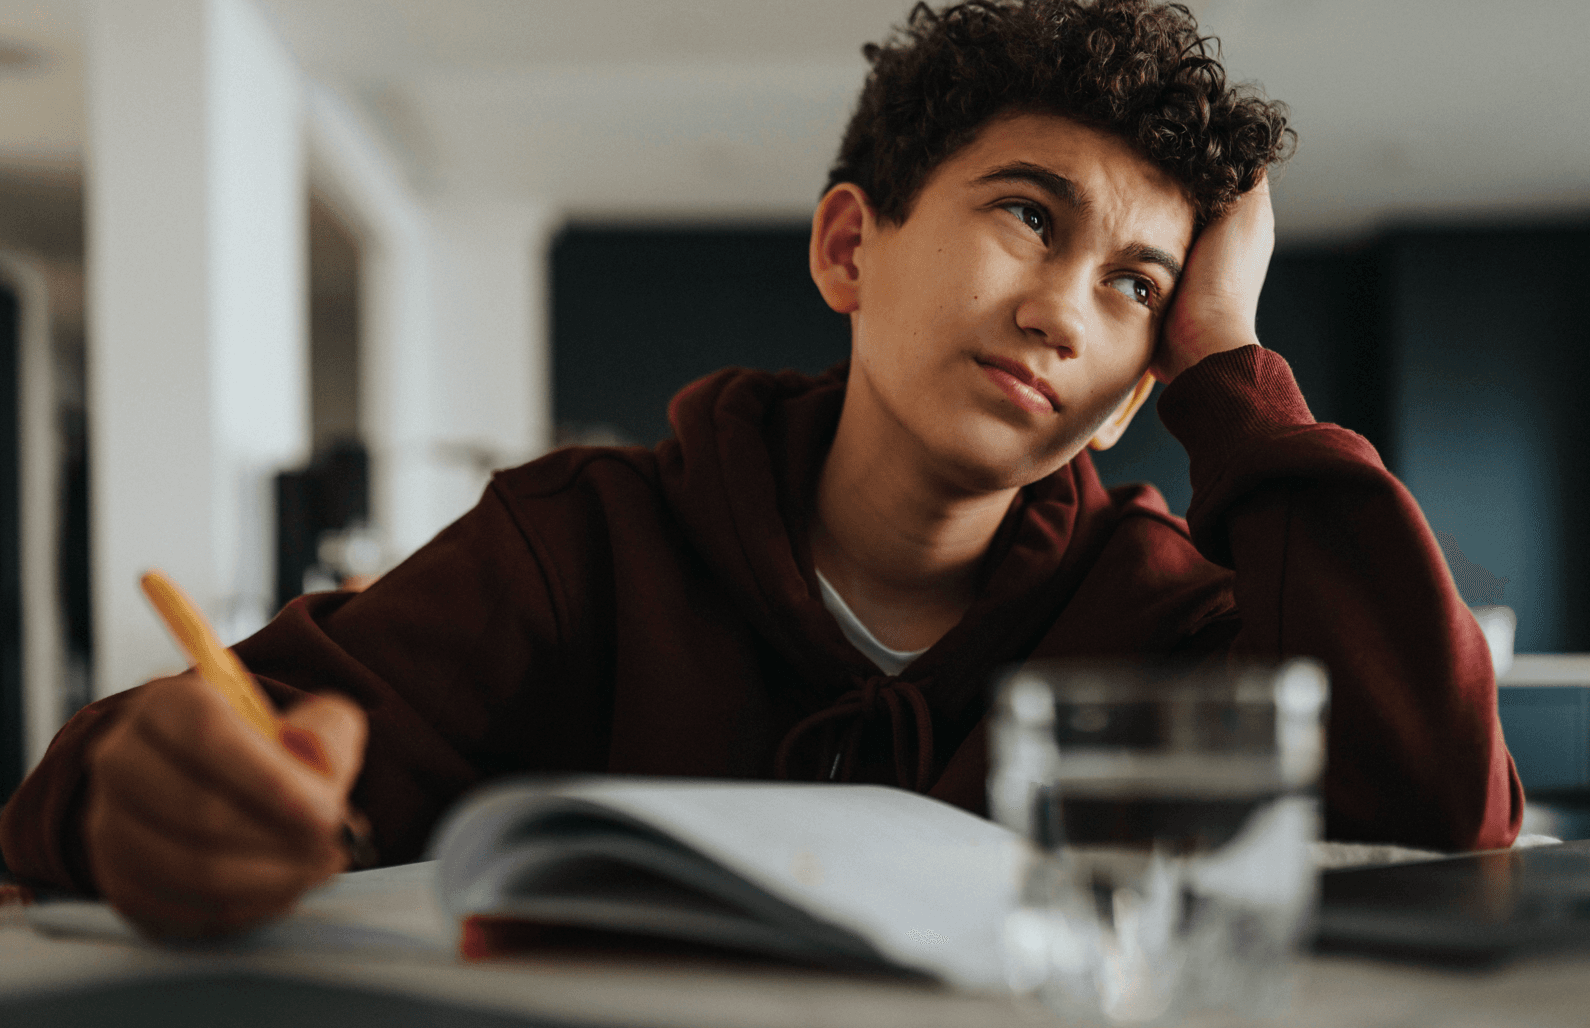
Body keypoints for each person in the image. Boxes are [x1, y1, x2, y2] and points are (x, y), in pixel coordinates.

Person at [1, 0, 1521, 938]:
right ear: (851, 246)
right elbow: (125, 782)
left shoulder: (1160, 611)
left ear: (1141, 389)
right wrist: (154, 798)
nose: (1066, 306)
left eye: (1137, 288)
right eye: (1028, 216)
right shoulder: (578, 544)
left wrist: (1229, 368)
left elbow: (1444, 831)